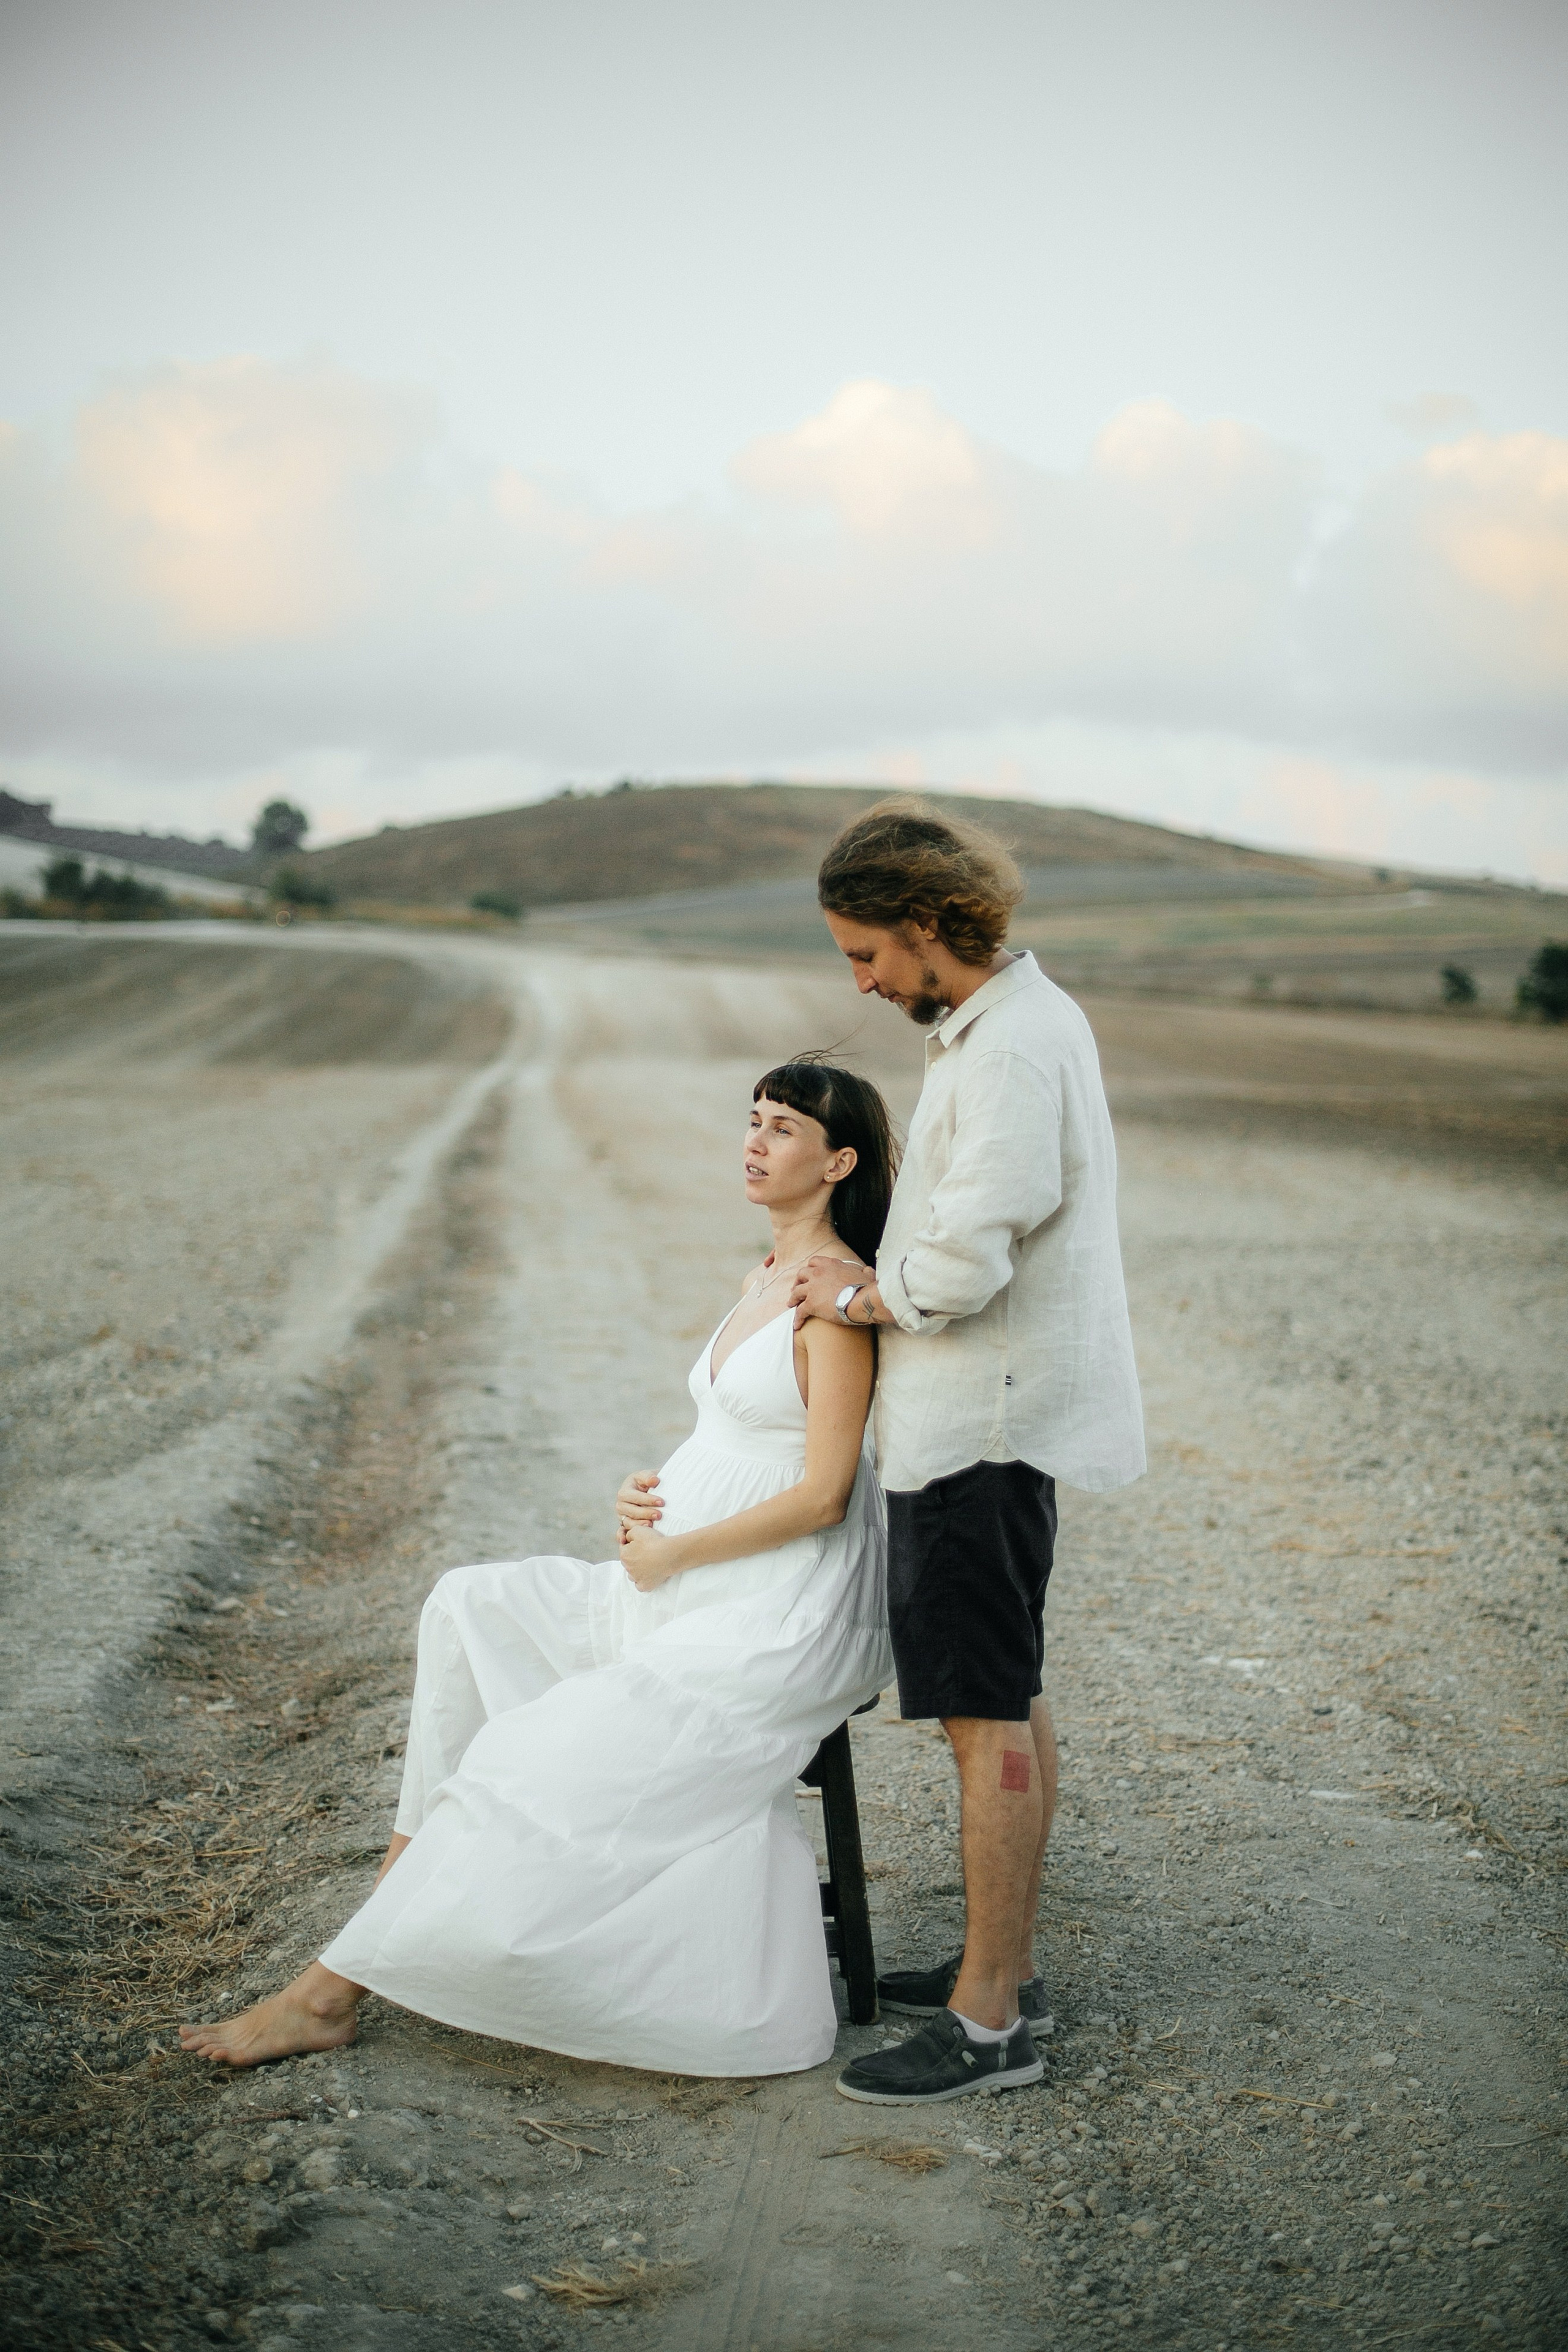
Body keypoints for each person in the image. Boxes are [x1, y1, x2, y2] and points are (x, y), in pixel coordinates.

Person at [181, 1060, 896, 2079]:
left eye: (783, 1129)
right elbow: (738, 1438)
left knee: (529, 1754)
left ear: (838, 1162)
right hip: (681, 1577)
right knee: (470, 1604)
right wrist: (645, 1502)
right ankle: (393, 1905)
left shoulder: (833, 1303)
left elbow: (825, 1492)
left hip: (778, 1610)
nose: (755, 1141)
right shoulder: (758, 1278)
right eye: (752, 1120)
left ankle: (331, 1988)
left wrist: (677, 1547)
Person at [790, 801, 1145, 2108]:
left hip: (975, 1426)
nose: (861, 982)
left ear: (930, 923)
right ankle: (1004, 1967)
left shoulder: (1006, 1051)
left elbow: (961, 1252)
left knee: (980, 1718)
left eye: (867, 954)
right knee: (1010, 1689)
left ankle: (990, 2023)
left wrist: (847, 1297)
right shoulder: (1001, 1028)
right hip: (990, 1417)